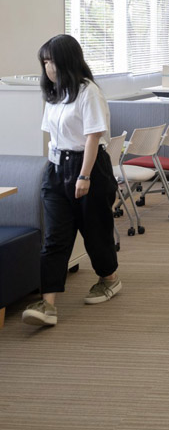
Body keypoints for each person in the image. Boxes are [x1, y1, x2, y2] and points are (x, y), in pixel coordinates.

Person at [22, 35, 120, 327]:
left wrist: (84, 175)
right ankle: (47, 304)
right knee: (55, 237)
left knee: (95, 231)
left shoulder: (89, 92)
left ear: (66, 61)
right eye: (44, 62)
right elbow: (53, 137)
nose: (47, 68)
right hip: (56, 168)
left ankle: (109, 279)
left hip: (89, 167)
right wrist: (52, 171)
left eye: (51, 61)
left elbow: (93, 137)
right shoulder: (54, 93)